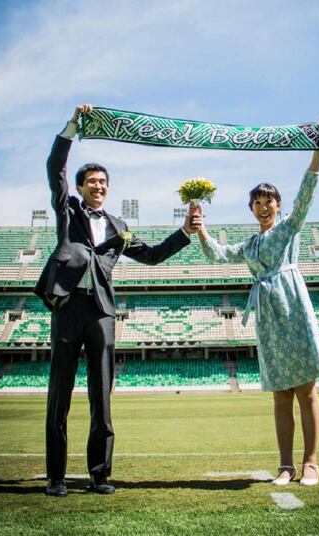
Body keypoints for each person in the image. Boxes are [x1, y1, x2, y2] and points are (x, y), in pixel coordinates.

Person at [35, 104, 202, 497]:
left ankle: (99, 475)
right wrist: (73, 126)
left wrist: (184, 231)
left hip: (102, 314)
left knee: (102, 398)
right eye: (91, 181)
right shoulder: (68, 209)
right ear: (79, 187)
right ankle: (56, 477)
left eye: (103, 182)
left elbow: (153, 255)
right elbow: (55, 167)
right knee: (59, 395)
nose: (98, 186)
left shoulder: (119, 226)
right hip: (67, 308)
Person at [195, 122, 319, 486]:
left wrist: (318, 150)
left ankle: (311, 463)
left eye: (268, 200)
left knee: (306, 389)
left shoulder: (289, 228)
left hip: (293, 306)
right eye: (257, 202)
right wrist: (201, 227)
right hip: (268, 317)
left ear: (278, 205)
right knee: (281, 394)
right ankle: (285, 466)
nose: (263, 205)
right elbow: (218, 255)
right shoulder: (250, 246)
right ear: (252, 209)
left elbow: (306, 193)